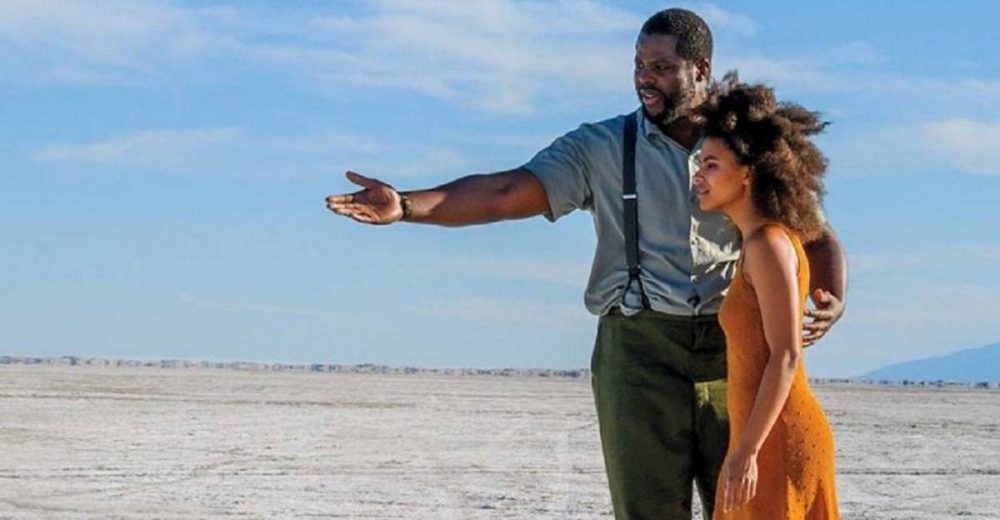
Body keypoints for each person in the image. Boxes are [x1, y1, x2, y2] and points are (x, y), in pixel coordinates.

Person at [326, 8, 847, 519]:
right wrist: (408, 205)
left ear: (701, 70)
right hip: (638, 353)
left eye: (661, 67)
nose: (645, 79)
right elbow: (506, 190)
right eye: (639, 65)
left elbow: (815, 233)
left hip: (733, 350)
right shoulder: (599, 148)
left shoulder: (743, 150)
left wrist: (831, 295)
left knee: (745, 508)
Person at [692, 74, 840, 519]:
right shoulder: (757, 243)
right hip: (758, 439)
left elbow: (786, 354)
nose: (698, 175)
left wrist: (746, 452)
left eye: (711, 165)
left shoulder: (768, 244)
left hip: (777, 439)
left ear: (748, 173)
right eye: (700, 163)